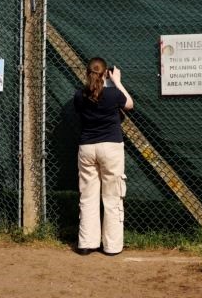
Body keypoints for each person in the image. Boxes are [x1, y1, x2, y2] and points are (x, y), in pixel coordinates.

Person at [73, 57, 134, 256]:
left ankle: (86, 243)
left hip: (87, 148)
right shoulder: (113, 94)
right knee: (112, 196)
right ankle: (112, 246)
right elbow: (129, 104)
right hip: (111, 147)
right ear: (105, 72)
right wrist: (116, 80)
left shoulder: (79, 96)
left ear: (87, 73)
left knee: (88, 196)